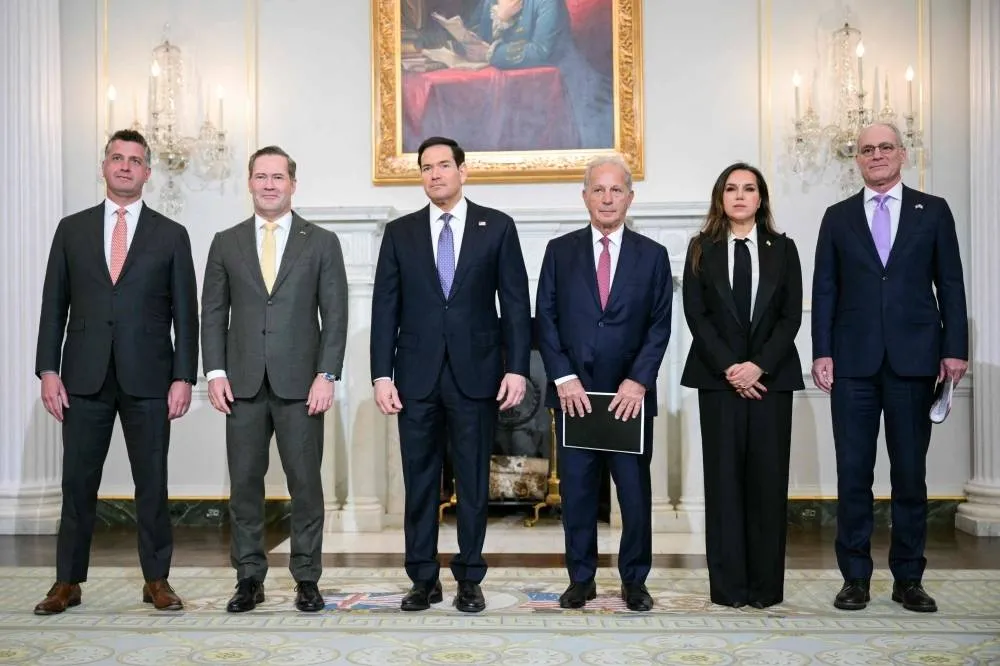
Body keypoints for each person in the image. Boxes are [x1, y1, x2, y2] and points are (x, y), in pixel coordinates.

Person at [33, 129, 198, 615]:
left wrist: (183, 377)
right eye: (117, 158)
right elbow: (53, 305)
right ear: (104, 165)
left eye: (135, 160)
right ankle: (67, 582)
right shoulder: (72, 229)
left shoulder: (172, 234)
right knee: (77, 483)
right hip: (82, 377)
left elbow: (185, 314)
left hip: (150, 377)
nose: (125, 166)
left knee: (153, 482)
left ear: (148, 172)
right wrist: (48, 369)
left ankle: (156, 579)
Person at [370, 136, 532, 613]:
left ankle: (469, 578)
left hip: (477, 375)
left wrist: (517, 368)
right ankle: (423, 579)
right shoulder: (399, 233)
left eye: (443, 165)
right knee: (419, 482)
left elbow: (515, 304)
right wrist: (381, 375)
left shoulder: (496, 227)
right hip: (415, 378)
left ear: (463, 171)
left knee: (473, 481)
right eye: (426, 167)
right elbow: (385, 309)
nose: (435, 174)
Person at [812, 122, 968, 613]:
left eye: (885, 147)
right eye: (866, 150)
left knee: (910, 476)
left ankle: (909, 579)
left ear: (902, 153)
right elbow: (824, 290)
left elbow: (951, 283)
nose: (876, 155)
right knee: (853, 474)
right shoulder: (837, 217)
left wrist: (955, 348)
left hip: (914, 361)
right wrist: (821, 351)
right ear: (857, 159)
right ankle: (855, 578)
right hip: (852, 363)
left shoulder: (933, 210)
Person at [201, 146, 348, 613]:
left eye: (277, 177)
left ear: (292, 184)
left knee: (306, 484)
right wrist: (215, 372)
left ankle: (307, 577)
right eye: (261, 176)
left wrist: (327, 374)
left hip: (302, 385)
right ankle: (249, 578)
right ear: (249, 182)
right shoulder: (226, 242)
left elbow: (336, 316)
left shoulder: (321, 242)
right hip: (241, 384)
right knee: (245, 484)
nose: (269, 184)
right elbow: (212, 313)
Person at [535, 154, 672, 612]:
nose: (607, 198)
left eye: (616, 190)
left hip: (628, 399)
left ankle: (635, 581)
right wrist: (563, 377)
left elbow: (659, 325)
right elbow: (545, 318)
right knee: (576, 494)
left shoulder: (653, 256)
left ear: (630, 198)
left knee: (633, 496)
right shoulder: (559, 251)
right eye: (598, 189)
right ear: (585, 197)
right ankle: (581, 578)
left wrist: (639, 381)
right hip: (575, 397)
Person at [680, 162, 804, 609]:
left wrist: (758, 367)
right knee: (724, 485)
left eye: (748, 189)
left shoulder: (783, 248)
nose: (739, 196)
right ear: (720, 197)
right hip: (718, 382)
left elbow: (791, 315)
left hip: (772, 382)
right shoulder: (701, 248)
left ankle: (765, 589)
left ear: (760, 198)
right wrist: (733, 368)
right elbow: (697, 315)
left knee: (767, 484)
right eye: (731, 188)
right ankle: (729, 589)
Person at [469, 0, 613, 148]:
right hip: (519, 88)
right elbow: (477, 38)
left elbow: (540, 51)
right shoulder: (489, 2)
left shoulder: (548, 2)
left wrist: (491, 53)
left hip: (566, 83)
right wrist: (500, 17)